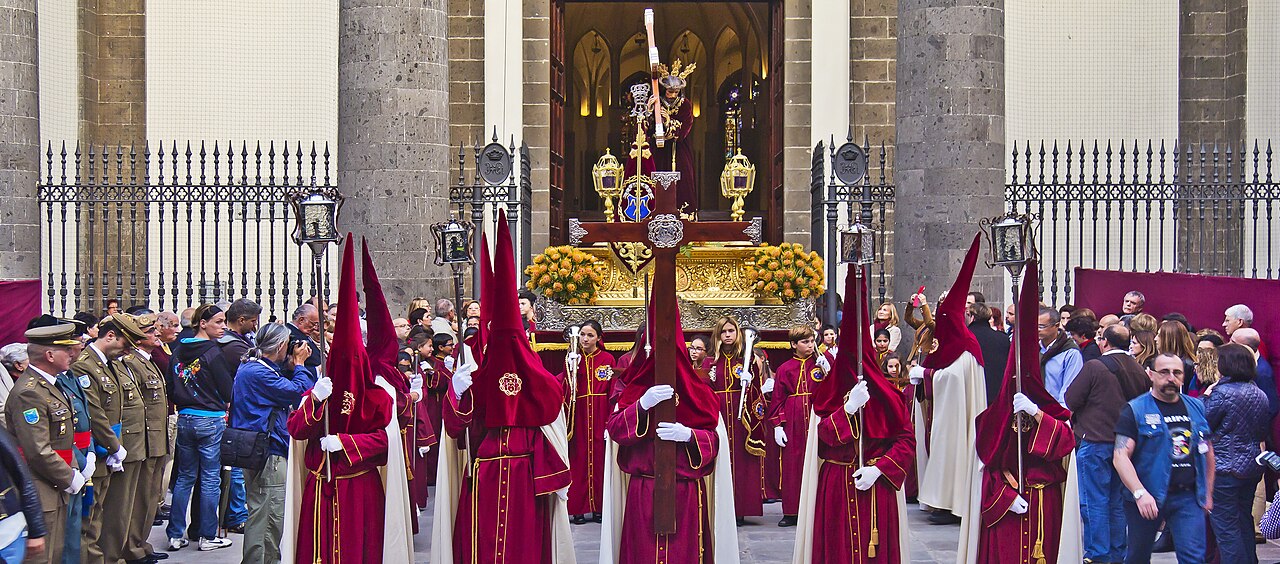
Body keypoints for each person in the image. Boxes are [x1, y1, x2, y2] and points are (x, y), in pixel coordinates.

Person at [430, 215, 571, 564]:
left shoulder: (534, 372)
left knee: (523, 546)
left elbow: (553, 405)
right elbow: (456, 427)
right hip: (486, 469)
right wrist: (459, 391)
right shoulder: (479, 372)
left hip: (525, 474)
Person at [282, 238, 412, 564]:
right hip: (321, 487)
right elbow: (296, 430)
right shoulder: (320, 390)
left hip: (360, 487)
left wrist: (346, 442)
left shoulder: (378, 396)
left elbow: (386, 442)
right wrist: (315, 401)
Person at [791, 267, 914, 564]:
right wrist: (846, 409)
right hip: (836, 482)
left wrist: (880, 468)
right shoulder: (829, 393)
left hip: (877, 484)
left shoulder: (888, 395)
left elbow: (906, 440)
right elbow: (821, 439)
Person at [599, 300, 737, 563]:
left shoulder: (700, 391)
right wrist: (642, 405)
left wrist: (689, 435)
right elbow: (616, 429)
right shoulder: (635, 390)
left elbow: (715, 441)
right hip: (644, 489)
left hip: (685, 492)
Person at [961, 262, 1076, 564]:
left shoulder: (1048, 409)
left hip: (1043, 498)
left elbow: (1065, 441)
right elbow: (985, 464)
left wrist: (1037, 414)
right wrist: (1004, 498)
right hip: (1010, 500)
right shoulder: (993, 415)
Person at [909, 234, 988, 525]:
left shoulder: (966, 349)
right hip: (943, 413)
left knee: (952, 449)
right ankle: (939, 500)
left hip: (957, 419)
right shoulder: (952, 345)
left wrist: (927, 375)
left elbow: (954, 380)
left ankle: (951, 502)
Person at [1113, 353, 1214, 563]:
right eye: (1164, 372)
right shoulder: (1135, 409)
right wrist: (1139, 493)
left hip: (1188, 496)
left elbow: (1208, 451)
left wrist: (1208, 493)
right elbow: (1120, 456)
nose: (1171, 378)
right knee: (1137, 557)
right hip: (1148, 495)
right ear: (1151, 374)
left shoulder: (1196, 407)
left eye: (1177, 373)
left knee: (1194, 557)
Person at [230, 323, 315, 564]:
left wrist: (289, 367)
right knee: (268, 514)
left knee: (263, 509)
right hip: (268, 451)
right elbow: (299, 391)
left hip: (261, 447)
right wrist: (299, 366)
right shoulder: (258, 372)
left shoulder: (254, 367)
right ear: (280, 346)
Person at [1065, 323, 1150, 563]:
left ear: (1105, 342)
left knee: (1094, 501)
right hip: (1126, 444)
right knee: (1116, 503)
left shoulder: (1094, 366)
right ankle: (1116, 554)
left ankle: (1097, 554)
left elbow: (1071, 399)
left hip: (1095, 440)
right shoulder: (1139, 370)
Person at [6, 324, 87, 564]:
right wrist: (69, 476)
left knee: (56, 549)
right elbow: (37, 450)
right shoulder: (29, 392)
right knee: (42, 556)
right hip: (41, 484)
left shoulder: (50, 385)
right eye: (65, 350)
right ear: (49, 355)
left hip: (56, 481)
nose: (72, 354)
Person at [73, 313, 146, 563]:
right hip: (98, 449)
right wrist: (114, 446)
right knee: (91, 517)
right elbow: (95, 413)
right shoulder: (85, 365)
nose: (126, 352)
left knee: (106, 510)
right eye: (125, 345)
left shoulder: (108, 364)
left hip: (111, 448)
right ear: (110, 336)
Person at [165, 304, 235, 552]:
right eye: (218, 321)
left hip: (186, 417)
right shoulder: (213, 353)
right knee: (209, 479)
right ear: (202, 323)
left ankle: (175, 534)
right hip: (210, 418)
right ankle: (207, 535)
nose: (223, 326)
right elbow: (228, 390)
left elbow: (171, 386)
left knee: (184, 478)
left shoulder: (178, 350)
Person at [1204, 343, 1270, 563]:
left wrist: (1205, 397)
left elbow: (1203, 424)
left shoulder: (1220, 393)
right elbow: (1262, 430)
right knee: (1244, 523)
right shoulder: (1259, 393)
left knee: (1226, 529)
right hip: (1251, 465)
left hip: (1224, 467)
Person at [118, 313, 174, 564]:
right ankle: (131, 546)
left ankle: (141, 542)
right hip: (143, 440)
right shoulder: (132, 362)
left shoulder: (147, 360)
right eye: (151, 331)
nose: (157, 334)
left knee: (151, 495)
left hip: (157, 437)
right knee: (139, 497)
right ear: (138, 339)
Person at [767, 325, 830, 527]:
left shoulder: (821, 364)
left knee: (817, 463)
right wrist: (778, 425)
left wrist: (829, 370)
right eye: (805, 342)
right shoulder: (785, 369)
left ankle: (818, 509)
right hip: (794, 421)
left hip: (816, 417)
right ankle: (791, 511)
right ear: (794, 344)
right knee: (792, 466)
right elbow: (778, 399)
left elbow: (834, 390)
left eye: (812, 341)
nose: (810, 345)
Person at [707, 315, 768, 524]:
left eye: (731, 331)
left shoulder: (747, 358)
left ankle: (740, 508)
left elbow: (757, 391)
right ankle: (719, 507)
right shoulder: (710, 361)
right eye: (723, 331)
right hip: (719, 411)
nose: (727, 335)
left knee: (741, 461)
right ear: (718, 334)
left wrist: (749, 383)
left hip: (741, 414)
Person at [559, 320, 614, 524]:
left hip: (600, 413)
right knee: (579, 457)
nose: (585, 339)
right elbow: (565, 387)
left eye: (590, 335)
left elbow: (612, 390)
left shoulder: (607, 358)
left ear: (599, 338)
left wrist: (610, 420)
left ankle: (599, 507)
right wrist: (570, 369)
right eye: (582, 334)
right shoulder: (573, 358)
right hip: (579, 415)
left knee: (599, 459)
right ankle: (579, 508)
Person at [218, 299, 262, 535]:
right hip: (235, 410)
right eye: (253, 321)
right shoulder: (233, 346)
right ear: (242, 320)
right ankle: (235, 515)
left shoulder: (239, 342)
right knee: (236, 465)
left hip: (237, 408)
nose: (255, 326)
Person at [1037, 306, 1083, 406]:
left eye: (1041, 326)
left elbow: (1069, 387)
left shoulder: (1070, 352)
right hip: (1033, 409)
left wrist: (1061, 413)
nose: (1037, 330)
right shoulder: (1034, 348)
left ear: (1056, 325)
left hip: (1056, 410)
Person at [967, 302, 1011, 404]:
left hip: (974, 393)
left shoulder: (966, 337)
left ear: (971, 316)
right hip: (997, 394)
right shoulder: (1002, 338)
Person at [284, 304, 322, 376]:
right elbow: (291, 366)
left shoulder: (300, 333)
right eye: (313, 324)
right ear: (301, 320)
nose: (315, 328)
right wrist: (318, 370)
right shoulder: (291, 335)